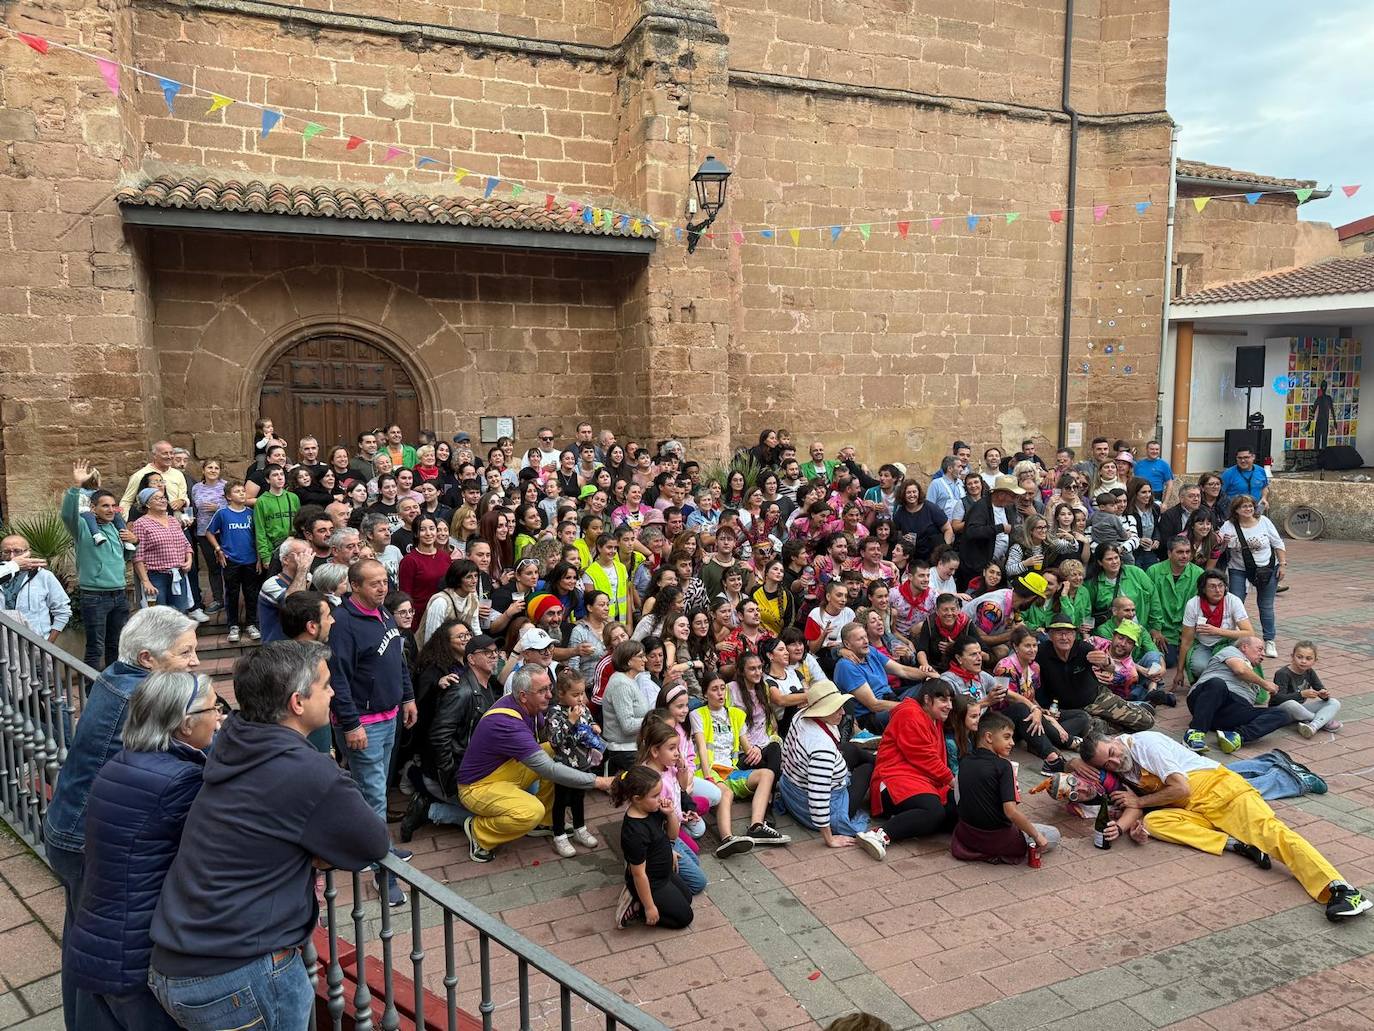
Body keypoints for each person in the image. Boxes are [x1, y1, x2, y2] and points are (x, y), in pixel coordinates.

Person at [147, 642, 390, 1028]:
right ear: (297, 702)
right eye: (326, 685)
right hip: (240, 977)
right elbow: (375, 842)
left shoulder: (234, 737)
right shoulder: (309, 772)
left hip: (177, 965)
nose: (333, 693)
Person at [44, 607, 199, 1031]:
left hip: (69, 830)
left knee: (85, 942)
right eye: (185, 652)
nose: (195, 662)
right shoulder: (143, 698)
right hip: (86, 841)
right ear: (148, 658)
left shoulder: (117, 674)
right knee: (109, 959)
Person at [65, 671, 222, 1031]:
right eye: (215, 708)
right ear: (184, 724)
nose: (219, 717)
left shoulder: (120, 765)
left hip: (99, 943)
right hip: (135, 958)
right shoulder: (179, 782)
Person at [1080, 732, 1370, 920]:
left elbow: (1179, 790)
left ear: (1115, 739)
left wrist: (1138, 803)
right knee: (1157, 822)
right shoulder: (1120, 766)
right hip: (1196, 808)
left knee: (1274, 834)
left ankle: (1342, 889)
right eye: (1108, 763)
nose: (1115, 761)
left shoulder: (1145, 745)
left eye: (1113, 753)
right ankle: (1238, 845)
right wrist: (1131, 824)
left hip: (1222, 792)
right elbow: (1139, 803)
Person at [327, 558, 418, 904]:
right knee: (375, 794)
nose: (383, 588)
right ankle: (384, 872)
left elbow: (397, 660)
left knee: (373, 789)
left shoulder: (383, 615)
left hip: (390, 714)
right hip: (363, 723)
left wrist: (407, 696)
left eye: (385, 581)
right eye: (374, 583)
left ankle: (375, 845)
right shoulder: (343, 624)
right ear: (355, 586)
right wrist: (350, 723)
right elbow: (338, 679)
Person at [456, 664, 614, 862]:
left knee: (552, 751)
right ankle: (480, 832)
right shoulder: (508, 724)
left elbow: (553, 747)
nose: (550, 695)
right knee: (531, 811)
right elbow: (548, 769)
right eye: (543, 690)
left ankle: (546, 822)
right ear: (523, 696)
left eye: (550, 687)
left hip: (503, 771)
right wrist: (599, 781)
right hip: (477, 787)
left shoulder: (528, 706)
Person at [402, 632, 503, 841]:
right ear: (471, 659)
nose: (494, 656)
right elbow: (439, 737)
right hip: (453, 774)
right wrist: (450, 778)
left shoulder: (489, 686)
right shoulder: (460, 691)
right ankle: (429, 810)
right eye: (486, 652)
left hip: (475, 768)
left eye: (495, 652)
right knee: (496, 814)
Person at [777, 679, 882, 851]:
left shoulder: (799, 716)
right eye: (835, 708)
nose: (842, 712)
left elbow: (787, 753)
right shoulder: (821, 749)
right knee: (867, 769)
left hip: (791, 787)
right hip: (817, 807)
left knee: (851, 749)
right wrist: (829, 839)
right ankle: (888, 773)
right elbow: (818, 797)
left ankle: (885, 762)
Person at [950, 709, 1060, 864]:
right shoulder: (1003, 766)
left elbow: (959, 798)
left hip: (966, 836)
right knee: (1053, 835)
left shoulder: (965, 761)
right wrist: (1036, 836)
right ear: (988, 737)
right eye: (1007, 737)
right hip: (998, 840)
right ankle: (997, 853)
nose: (1012, 743)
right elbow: (1010, 812)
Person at [868, 681, 959, 853]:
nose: (949, 706)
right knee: (933, 812)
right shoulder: (909, 713)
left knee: (958, 807)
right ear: (927, 699)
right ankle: (880, 834)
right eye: (944, 700)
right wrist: (952, 781)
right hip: (892, 779)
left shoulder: (934, 718)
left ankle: (909, 820)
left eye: (951, 701)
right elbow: (924, 756)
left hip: (921, 780)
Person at [1035, 620, 1155, 736]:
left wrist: (1107, 662)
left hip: (1096, 698)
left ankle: (1125, 712)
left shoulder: (1083, 648)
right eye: (1059, 632)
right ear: (1050, 635)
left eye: (1069, 633)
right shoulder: (1040, 653)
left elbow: (1110, 668)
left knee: (1146, 721)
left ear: (1075, 635)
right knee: (1082, 727)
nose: (1064, 637)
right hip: (1066, 709)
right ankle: (1101, 721)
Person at [612, 765, 695, 931]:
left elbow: (672, 836)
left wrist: (670, 813)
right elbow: (639, 874)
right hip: (651, 881)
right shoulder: (634, 833)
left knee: (687, 897)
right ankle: (637, 905)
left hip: (663, 873)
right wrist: (650, 907)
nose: (660, 798)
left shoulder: (652, 809)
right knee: (685, 917)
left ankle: (643, 901)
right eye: (655, 795)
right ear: (637, 799)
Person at [1184, 636, 1296, 753]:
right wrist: (1265, 684)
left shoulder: (1253, 678)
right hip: (1207, 698)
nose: (1263, 654)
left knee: (1282, 713)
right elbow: (1240, 670)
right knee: (1217, 684)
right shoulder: (1231, 651)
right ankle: (1194, 733)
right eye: (1259, 649)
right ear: (1244, 647)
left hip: (1229, 713)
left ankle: (1236, 737)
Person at [545, 667, 605, 857]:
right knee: (561, 801)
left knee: (579, 798)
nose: (581, 698)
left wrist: (594, 726)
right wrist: (570, 721)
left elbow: (589, 720)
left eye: (582, 693)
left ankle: (580, 829)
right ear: (561, 694)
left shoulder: (582, 708)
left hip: (583, 763)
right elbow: (555, 741)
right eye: (575, 694)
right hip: (564, 766)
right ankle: (560, 835)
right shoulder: (555, 712)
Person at [832, 621, 931, 733]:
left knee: (931, 688)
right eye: (860, 639)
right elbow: (874, 704)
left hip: (890, 699)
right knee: (912, 713)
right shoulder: (846, 666)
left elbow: (903, 670)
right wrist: (909, 707)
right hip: (871, 717)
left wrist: (930, 675)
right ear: (848, 644)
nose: (865, 642)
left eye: (865, 637)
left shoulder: (870, 651)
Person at [1218, 494, 1285, 657]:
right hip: (1239, 569)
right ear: (1236, 510)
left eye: (1250, 506)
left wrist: (1282, 564)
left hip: (1267, 568)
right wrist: (1224, 543)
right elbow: (1218, 549)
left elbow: (1278, 543)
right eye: (1243, 507)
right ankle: (1232, 638)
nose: (1248, 509)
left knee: (1266, 606)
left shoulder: (1264, 522)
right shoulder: (1228, 526)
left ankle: (1269, 640)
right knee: (1235, 603)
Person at [1174, 569, 1254, 687]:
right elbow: (1186, 641)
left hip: (1229, 643)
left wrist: (1217, 631)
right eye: (1212, 586)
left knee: (1236, 665)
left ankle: (1223, 682)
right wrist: (1179, 671)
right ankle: (1212, 681)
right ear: (1203, 589)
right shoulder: (1193, 604)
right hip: (1203, 644)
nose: (1218, 590)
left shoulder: (1233, 601)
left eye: (1221, 586)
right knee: (1199, 667)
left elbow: (1249, 633)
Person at [205, 479, 260, 644]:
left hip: (250, 559)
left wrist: (258, 557)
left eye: (243, 491)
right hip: (231, 560)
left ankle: (251, 624)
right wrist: (218, 549)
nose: (242, 494)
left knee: (251, 593)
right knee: (232, 593)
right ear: (228, 496)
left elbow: (258, 536)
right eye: (237, 492)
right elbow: (209, 532)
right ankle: (233, 625)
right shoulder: (222, 513)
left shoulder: (251, 513)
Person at [0, 532, 71, 641]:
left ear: (28, 552)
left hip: (37, 644)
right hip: (3, 646)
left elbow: (63, 611)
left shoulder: (44, 576)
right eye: (6, 552)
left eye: (17, 551)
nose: (12, 557)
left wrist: (49, 643)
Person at [1145, 535, 1202, 668]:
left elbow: (1199, 606)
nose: (1185, 556)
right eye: (1180, 552)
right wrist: (1155, 629)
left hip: (1187, 629)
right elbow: (1149, 604)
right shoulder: (1153, 571)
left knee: (1192, 663)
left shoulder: (1199, 573)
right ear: (1169, 553)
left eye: (1188, 552)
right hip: (1163, 630)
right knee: (1169, 661)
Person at [1272, 640, 1342, 738]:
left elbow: (1320, 689)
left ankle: (1313, 726)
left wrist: (1324, 694)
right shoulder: (1283, 673)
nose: (1303, 661)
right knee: (1292, 704)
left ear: (1315, 661)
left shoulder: (1309, 672)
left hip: (1300, 710)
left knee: (1334, 702)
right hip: (1281, 710)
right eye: (1299, 657)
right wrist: (1301, 694)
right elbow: (1278, 699)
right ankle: (1323, 721)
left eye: (1308, 658)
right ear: (1292, 657)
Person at [257, 538, 313, 643]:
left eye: (309, 553)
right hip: (277, 650)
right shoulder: (271, 584)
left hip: (300, 647)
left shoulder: (309, 578)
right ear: (285, 560)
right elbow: (294, 605)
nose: (307, 558)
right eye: (302, 554)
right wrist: (302, 570)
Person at [1220, 447, 1270, 514]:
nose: (1243, 461)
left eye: (1246, 457)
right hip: (1235, 512)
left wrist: (1264, 498)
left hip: (1256, 510)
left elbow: (1264, 486)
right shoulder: (1228, 473)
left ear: (1253, 457)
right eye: (1239, 458)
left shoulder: (1260, 470)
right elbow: (1220, 493)